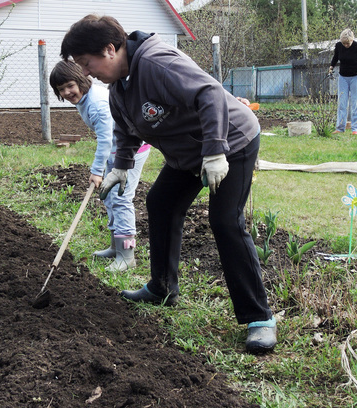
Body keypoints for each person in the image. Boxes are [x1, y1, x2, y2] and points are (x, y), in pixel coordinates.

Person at [60, 14, 277, 354]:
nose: (86, 73)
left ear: (109, 49)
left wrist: (216, 152)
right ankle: (162, 288)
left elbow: (210, 94)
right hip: (189, 154)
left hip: (230, 142)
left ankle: (259, 318)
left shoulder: (157, 63)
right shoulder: (120, 85)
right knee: (161, 203)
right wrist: (121, 166)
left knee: (225, 221)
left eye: (87, 64)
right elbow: (125, 128)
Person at [49, 59, 151, 271]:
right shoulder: (85, 99)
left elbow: (105, 139)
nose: (67, 92)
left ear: (81, 80)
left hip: (132, 150)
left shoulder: (95, 103)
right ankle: (116, 246)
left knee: (122, 199)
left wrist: (97, 171)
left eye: (70, 85)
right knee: (110, 198)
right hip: (116, 150)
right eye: (61, 89)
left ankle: (127, 254)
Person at [328, 28, 357, 135]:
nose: (346, 45)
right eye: (344, 43)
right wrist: (331, 67)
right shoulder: (339, 46)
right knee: (342, 103)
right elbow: (335, 57)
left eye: (347, 43)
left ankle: (356, 129)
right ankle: (340, 128)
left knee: (356, 102)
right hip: (343, 77)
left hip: (356, 78)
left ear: (352, 40)